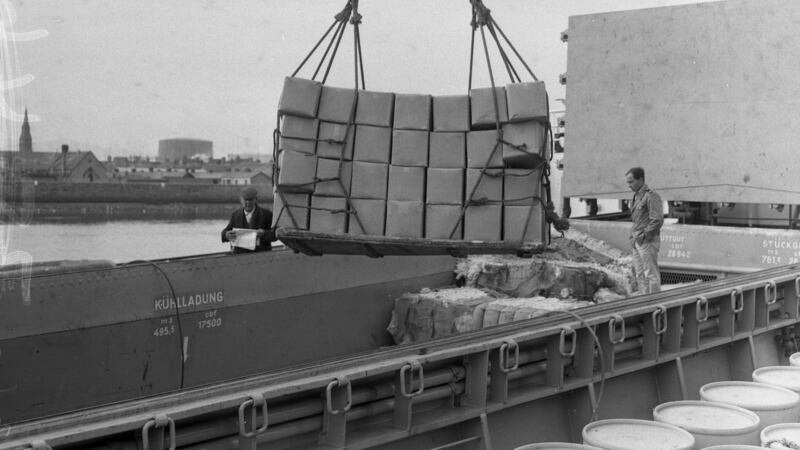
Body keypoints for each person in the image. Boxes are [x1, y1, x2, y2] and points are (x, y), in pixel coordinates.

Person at [626, 166, 664, 294]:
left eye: (631, 182)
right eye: (628, 182)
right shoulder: (636, 197)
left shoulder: (651, 196)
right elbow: (636, 220)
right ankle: (643, 302)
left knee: (651, 274)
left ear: (641, 179)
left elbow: (657, 219)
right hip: (638, 240)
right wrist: (634, 237)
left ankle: (654, 304)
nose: (629, 185)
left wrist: (644, 236)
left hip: (646, 241)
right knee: (640, 274)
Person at [221, 187, 274, 253]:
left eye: (250, 200)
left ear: (256, 199)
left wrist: (263, 233)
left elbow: (275, 235)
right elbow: (224, 232)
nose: (248, 202)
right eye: (245, 200)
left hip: (261, 256)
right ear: (240, 200)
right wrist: (226, 234)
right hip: (239, 256)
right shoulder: (235, 215)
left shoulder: (267, 214)